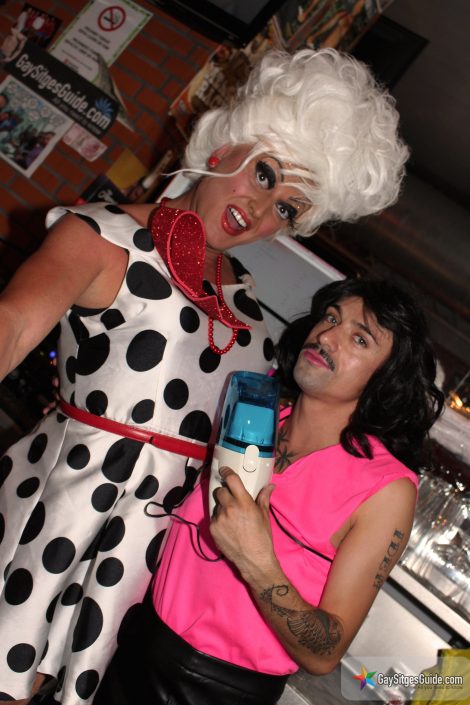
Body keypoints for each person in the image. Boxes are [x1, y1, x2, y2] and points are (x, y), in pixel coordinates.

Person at [0, 48, 408, 704]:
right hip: (66, 505)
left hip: (150, 562)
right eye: (265, 174)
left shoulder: (248, 311)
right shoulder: (102, 235)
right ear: (224, 146)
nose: (263, 208)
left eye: (288, 208)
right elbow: (14, 325)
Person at [94, 276, 444, 705]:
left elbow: (325, 653)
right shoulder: (255, 410)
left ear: (387, 379)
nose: (327, 336)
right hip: (133, 640)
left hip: (216, 692)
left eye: (359, 338)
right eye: (331, 318)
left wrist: (256, 560)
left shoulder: (386, 489)